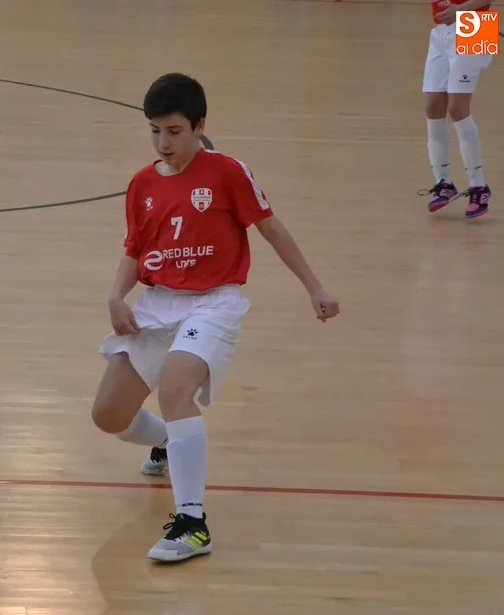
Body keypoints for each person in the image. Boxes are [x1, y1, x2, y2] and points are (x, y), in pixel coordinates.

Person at [90, 73, 340, 563]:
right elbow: (135, 250)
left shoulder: (227, 172)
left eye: (174, 131)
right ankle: (170, 442)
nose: (163, 143)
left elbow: (272, 229)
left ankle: (193, 524)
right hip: (157, 302)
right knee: (108, 416)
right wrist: (117, 296)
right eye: (155, 131)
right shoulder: (141, 184)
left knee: (175, 389)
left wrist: (315, 287)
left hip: (213, 301)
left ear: (200, 126)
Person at [422, 0, 495, 218]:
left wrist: (461, 11)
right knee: (433, 106)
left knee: (457, 108)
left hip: (475, 26)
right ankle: (443, 183)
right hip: (441, 31)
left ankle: (479, 187)